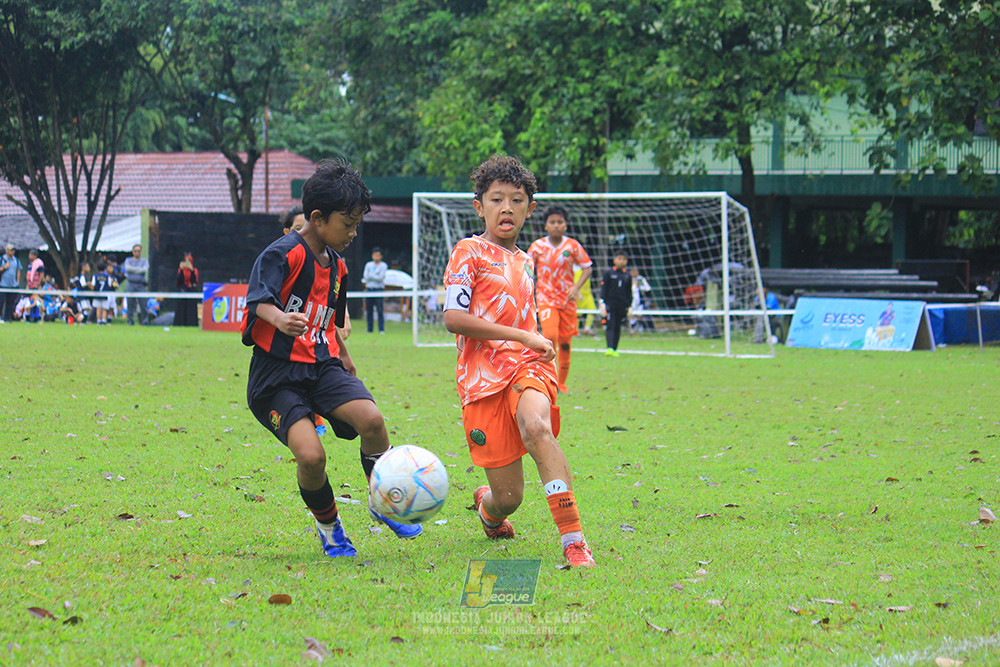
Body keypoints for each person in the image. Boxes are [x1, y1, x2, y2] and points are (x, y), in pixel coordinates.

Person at [241, 158, 421, 559]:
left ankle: (383, 502)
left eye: (358, 224)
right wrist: (280, 317)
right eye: (348, 223)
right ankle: (330, 528)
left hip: (323, 365)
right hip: (276, 378)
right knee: (311, 455)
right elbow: (257, 302)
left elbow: (332, 322)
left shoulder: (338, 266)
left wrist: (346, 357)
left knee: (373, 420)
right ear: (318, 217)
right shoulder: (282, 254)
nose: (354, 233)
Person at [442, 154, 595, 569]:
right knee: (509, 498)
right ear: (480, 207)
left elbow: (526, 320)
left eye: (516, 199)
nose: (506, 207)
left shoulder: (528, 260)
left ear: (529, 208)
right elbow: (454, 319)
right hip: (481, 381)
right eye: (496, 199)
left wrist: (533, 340)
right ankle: (489, 513)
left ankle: (574, 540)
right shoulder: (468, 251)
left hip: (528, 365)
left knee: (536, 426)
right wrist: (523, 334)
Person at [528, 206, 592, 394]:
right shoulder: (537, 247)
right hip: (545, 298)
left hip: (567, 300)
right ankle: (546, 378)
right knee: (550, 336)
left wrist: (576, 287)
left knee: (565, 342)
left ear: (565, 225)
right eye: (552, 222)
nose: (556, 225)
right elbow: (525, 268)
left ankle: (561, 384)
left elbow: (587, 267)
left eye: (560, 222)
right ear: (546, 225)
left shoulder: (572, 246)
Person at [283, 205, 351, 341]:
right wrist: (279, 319)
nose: (304, 233)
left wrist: (345, 315)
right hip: (285, 346)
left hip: (315, 345)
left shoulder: (332, 263)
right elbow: (261, 302)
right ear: (287, 232)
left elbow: (334, 297)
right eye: (298, 229)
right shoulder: (281, 259)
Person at [599, 252, 632, 356]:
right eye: (619, 258)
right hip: (610, 304)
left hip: (622, 305)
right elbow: (604, 289)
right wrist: (602, 302)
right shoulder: (609, 273)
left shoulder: (627, 275)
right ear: (614, 260)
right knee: (610, 325)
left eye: (623, 259)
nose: (621, 261)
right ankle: (609, 348)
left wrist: (630, 305)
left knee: (618, 326)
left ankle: (614, 348)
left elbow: (628, 292)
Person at [123, 244, 150, 325]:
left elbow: (145, 269)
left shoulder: (144, 261)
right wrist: (139, 270)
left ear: (141, 252)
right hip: (131, 285)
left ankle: (145, 321)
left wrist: (133, 270)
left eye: (138, 251)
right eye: (135, 251)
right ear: (132, 252)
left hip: (141, 286)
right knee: (130, 304)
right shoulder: (128, 260)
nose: (137, 253)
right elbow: (127, 268)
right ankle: (130, 321)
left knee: (143, 304)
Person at [362, 247, 387, 334]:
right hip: (369, 289)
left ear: (381, 256)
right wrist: (374, 276)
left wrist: (371, 276)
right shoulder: (368, 265)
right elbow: (366, 277)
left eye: (378, 255)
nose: (376, 257)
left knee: (380, 310)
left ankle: (381, 329)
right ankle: (369, 329)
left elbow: (380, 278)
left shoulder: (383, 265)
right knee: (369, 310)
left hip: (378, 290)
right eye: (374, 255)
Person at [175, 253, 200, 326]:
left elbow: (194, 281)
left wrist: (191, 270)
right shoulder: (181, 270)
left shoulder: (195, 270)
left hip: (191, 290)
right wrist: (182, 270)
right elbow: (179, 280)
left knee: (191, 309)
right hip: (183, 289)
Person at [0, 243, 22, 323]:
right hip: (3, 284)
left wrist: (18, 282)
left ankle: (7, 319)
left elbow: (18, 271)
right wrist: (4, 268)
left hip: (13, 285)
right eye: (11, 250)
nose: (12, 251)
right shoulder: (2, 259)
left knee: (11, 303)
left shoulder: (16, 260)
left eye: (13, 250)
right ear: (7, 251)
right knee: (1, 302)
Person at [629, 266, 654, 332]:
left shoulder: (641, 279)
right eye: (632, 271)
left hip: (640, 301)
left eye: (635, 271)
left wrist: (640, 287)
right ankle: (632, 329)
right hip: (630, 301)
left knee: (639, 315)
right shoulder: (627, 278)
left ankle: (639, 328)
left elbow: (648, 288)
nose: (634, 273)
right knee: (631, 314)